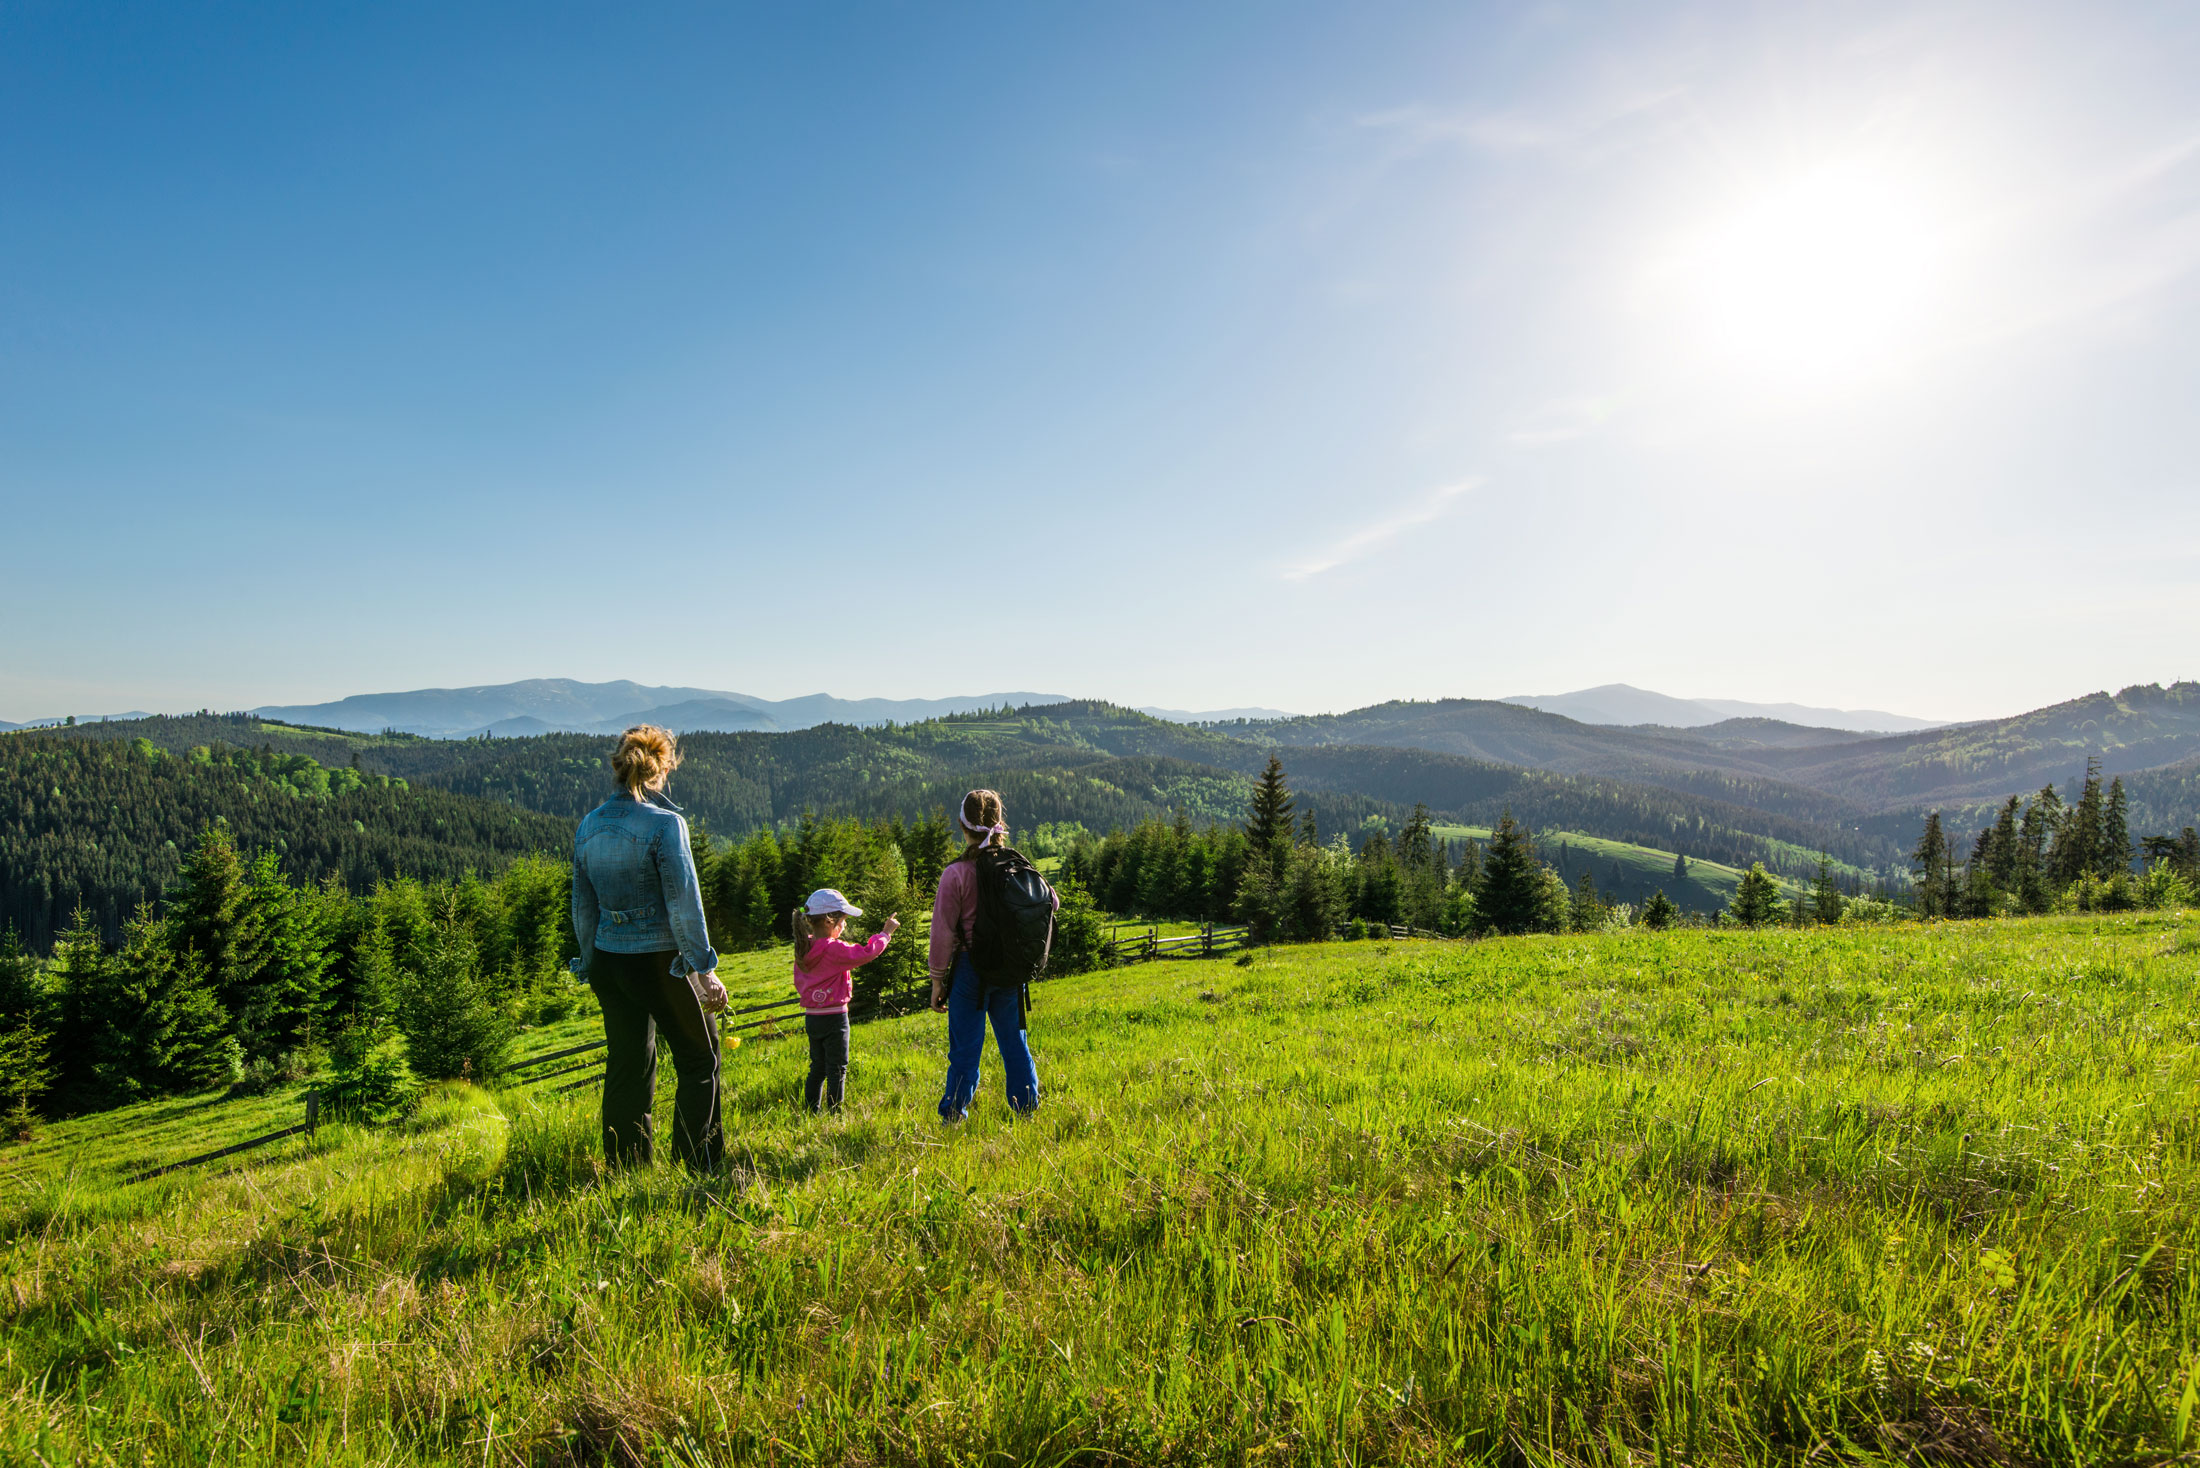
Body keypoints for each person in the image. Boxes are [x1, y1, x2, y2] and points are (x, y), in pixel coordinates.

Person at [570, 725, 728, 1170]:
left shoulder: (589, 826)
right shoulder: (665, 825)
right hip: (658, 961)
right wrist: (703, 968)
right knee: (700, 1058)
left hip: (607, 959)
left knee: (628, 1065)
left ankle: (628, 1169)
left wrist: (587, 961)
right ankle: (696, 1165)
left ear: (619, 766)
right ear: (662, 771)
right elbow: (684, 903)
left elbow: (582, 904)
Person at [931, 788, 1051, 1121]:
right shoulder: (1015, 864)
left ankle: (954, 1115)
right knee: (1015, 1044)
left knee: (966, 1052)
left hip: (972, 970)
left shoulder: (954, 874)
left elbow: (942, 933)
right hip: (1011, 970)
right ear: (1000, 823)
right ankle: (1026, 1110)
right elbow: (1050, 902)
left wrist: (938, 980)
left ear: (961, 824)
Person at [790, 888, 900, 1113]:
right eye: (844, 921)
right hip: (835, 1017)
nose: (845, 926)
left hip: (812, 1017)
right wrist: (885, 933)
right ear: (831, 922)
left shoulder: (804, 947)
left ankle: (811, 1111)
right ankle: (834, 1113)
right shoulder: (834, 949)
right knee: (837, 1068)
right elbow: (867, 952)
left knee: (817, 1067)